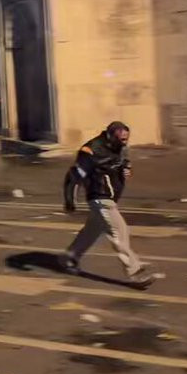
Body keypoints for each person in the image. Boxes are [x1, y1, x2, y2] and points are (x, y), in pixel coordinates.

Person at [60, 121, 155, 288]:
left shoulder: (120, 147)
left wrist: (126, 168)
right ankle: (135, 272)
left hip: (110, 197)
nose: (124, 143)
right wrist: (70, 201)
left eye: (126, 139)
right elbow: (73, 176)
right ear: (111, 136)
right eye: (121, 139)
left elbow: (123, 161)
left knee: (92, 231)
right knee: (119, 231)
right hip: (100, 198)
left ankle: (69, 257)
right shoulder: (90, 151)